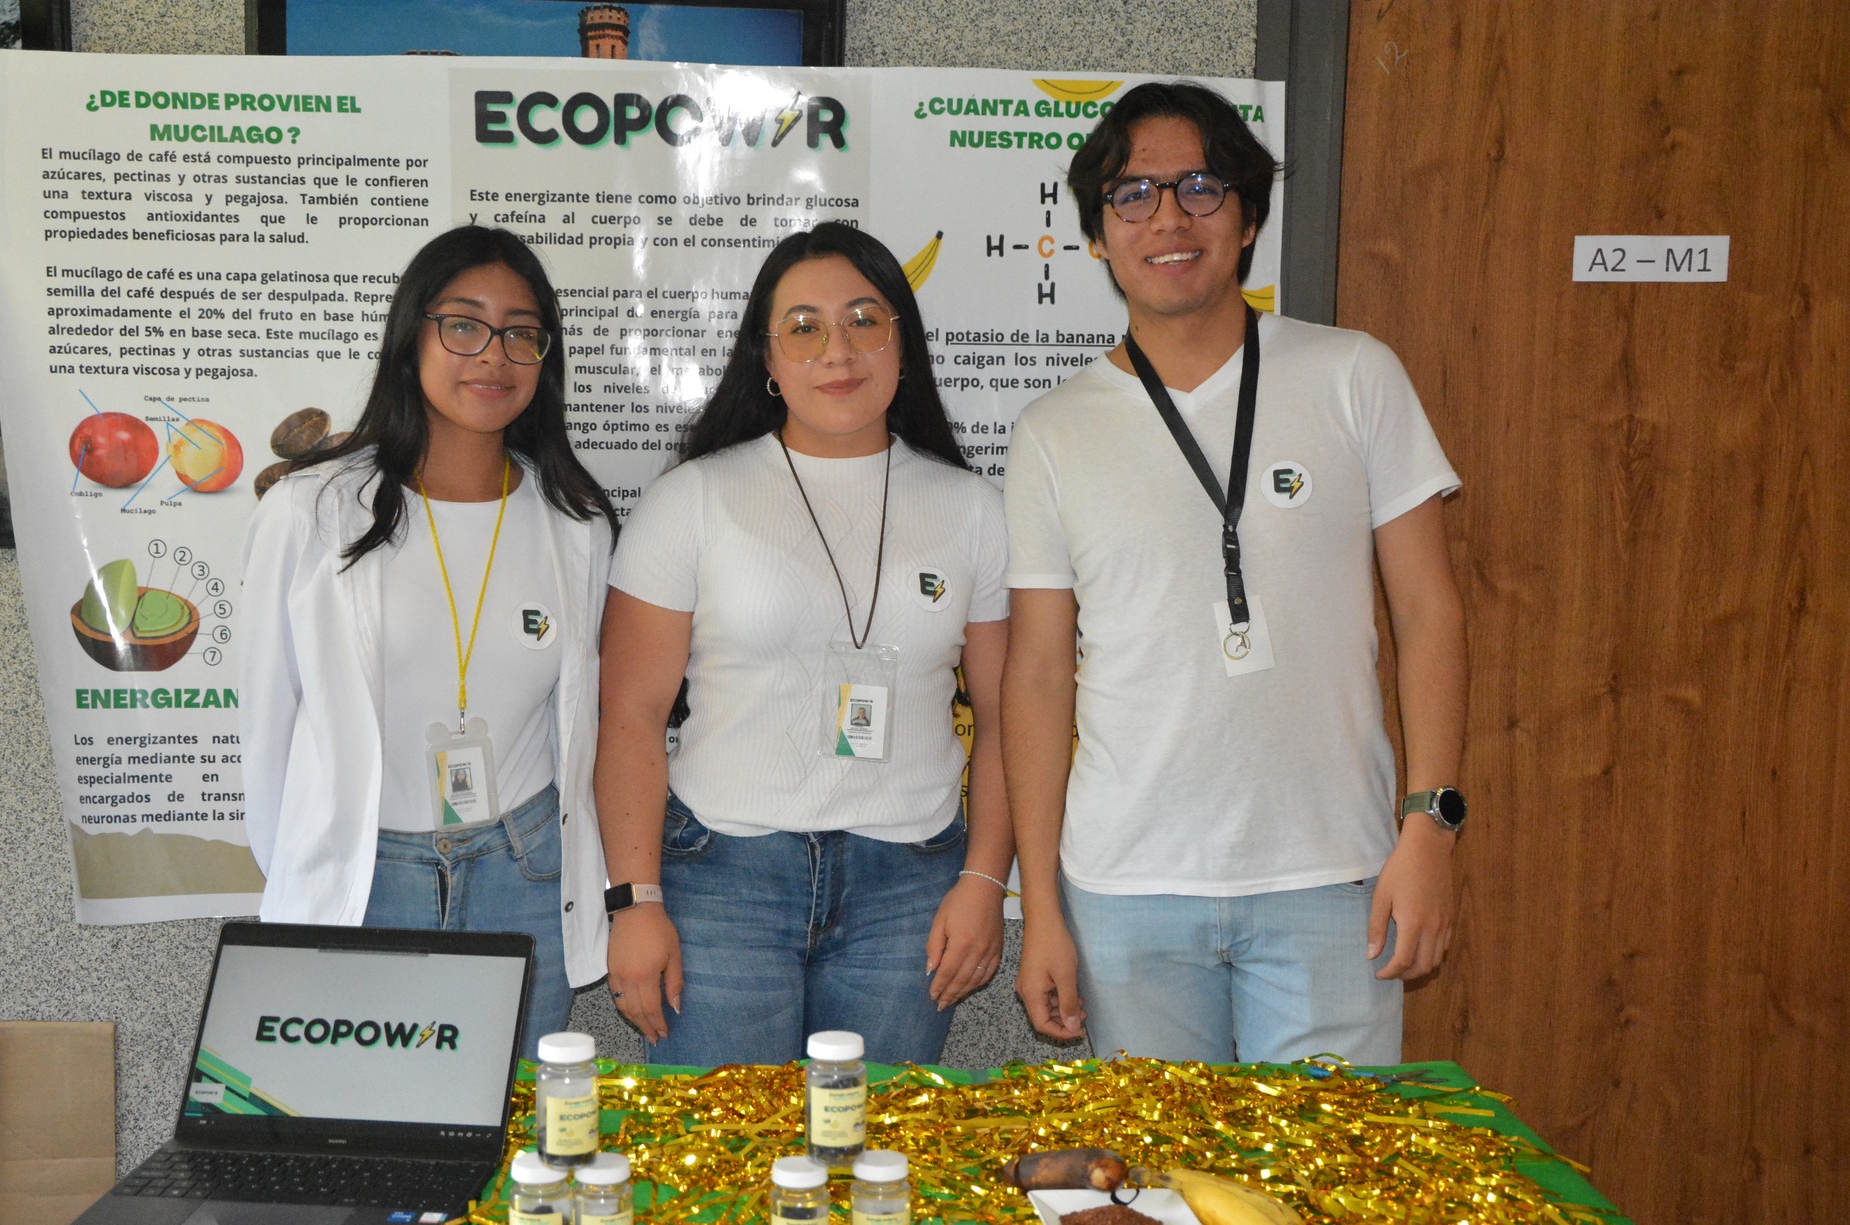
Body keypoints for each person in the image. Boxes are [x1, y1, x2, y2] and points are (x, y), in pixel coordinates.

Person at [1002, 82, 1469, 1065]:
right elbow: (1038, 674)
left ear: (1248, 217)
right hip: (1127, 890)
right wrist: (1039, 906)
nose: (1166, 218)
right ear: (1095, 234)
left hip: (1331, 873)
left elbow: (1429, 612)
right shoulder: (1051, 432)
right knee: (1163, 1202)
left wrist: (1429, 823)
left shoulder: (1353, 375)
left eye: (1199, 187)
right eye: (1132, 195)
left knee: (1324, 1203)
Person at [596, 222, 1013, 1066]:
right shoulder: (694, 499)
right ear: (768, 358)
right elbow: (631, 714)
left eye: (866, 319)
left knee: (874, 1168)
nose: (838, 349)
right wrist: (635, 902)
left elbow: (1011, 716)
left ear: (904, 344)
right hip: (722, 877)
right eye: (805, 326)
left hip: (911, 886)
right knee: (719, 1167)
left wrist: (984, 883)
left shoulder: (974, 509)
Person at [241, 225, 616, 1060]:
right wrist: (314, 865)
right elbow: (266, 732)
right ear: (412, 336)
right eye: (464, 324)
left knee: (512, 1142)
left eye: (522, 332)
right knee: (368, 1149)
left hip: (526, 874)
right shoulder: (313, 510)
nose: (494, 355)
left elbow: (580, 727)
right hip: (368, 878)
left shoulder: (573, 523)